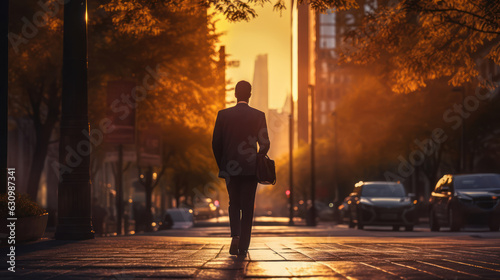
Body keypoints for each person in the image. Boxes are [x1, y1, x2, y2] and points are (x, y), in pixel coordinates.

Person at [212, 80, 270, 256]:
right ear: (250, 95)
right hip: (250, 169)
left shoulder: (223, 115)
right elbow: (265, 144)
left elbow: (216, 143)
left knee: (233, 203)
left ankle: (235, 235)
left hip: (230, 168)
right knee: (247, 206)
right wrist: (257, 158)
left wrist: (223, 164)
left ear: (235, 94)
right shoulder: (258, 116)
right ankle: (244, 245)